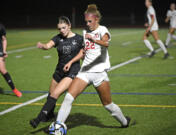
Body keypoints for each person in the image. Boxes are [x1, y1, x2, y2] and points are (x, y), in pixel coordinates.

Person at [50, 4, 131, 132]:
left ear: (96, 19)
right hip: (85, 72)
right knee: (68, 98)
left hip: (99, 73)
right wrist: (71, 62)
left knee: (108, 105)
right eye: (86, 21)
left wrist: (93, 39)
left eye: (90, 21)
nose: (87, 24)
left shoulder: (103, 30)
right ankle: (58, 127)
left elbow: (106, 43)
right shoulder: (86, 33)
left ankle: (125, 122)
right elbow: (83, 51)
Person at [30, 16, 84, 128]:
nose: (61, 30)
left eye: (64, 28)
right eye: (59, 29)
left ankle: (38, 119)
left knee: (55, 94)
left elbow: (83, 53)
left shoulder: (79, 39)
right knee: (50, 96)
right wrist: (42, 46)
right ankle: (49, 115)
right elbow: (48, 45)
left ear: (69, 26)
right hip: (59, 71)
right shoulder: (58, 38)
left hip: (72, 72)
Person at [0, 23, 22, 97]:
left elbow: (4, 39)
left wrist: (4, 51)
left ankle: (14, 89)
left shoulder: (1, 26)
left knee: (2, 70)